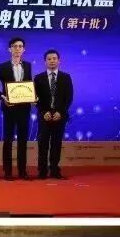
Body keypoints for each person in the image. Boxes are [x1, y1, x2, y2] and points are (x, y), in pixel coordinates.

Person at [0, 37, 34, 180]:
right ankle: (8, 171)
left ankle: (22, 171)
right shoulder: (2, 67)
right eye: (15, 46)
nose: (17, 49)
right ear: (9, 49)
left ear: (23, 49)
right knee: (8, 140)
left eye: (20, 46)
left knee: (23, 140)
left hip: (24, 108)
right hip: (9, 108)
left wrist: (32, 96)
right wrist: (2, 97)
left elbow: (28, 85)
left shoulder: (28, 66)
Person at [34, 49, 74, 180]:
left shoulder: (66, 77)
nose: (52, 61)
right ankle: (42, 171)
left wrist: (60, 112)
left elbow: (69, 97)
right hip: (44, 116)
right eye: (49, 59)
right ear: (45, 61)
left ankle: (55, 170)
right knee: (43, 144)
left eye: (54, 58)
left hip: (59, 116)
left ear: (59, 61)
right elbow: (35, 98)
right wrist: (43, 112)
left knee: (56, 144)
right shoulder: (38, 78)